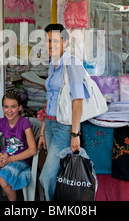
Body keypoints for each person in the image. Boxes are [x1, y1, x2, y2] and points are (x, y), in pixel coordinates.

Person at [38, 23, 89, 201]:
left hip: (64, 127)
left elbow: (78, 100)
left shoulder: (72, 63)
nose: (51, 45)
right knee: (58, 174)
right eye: (48, 41)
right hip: (51, 124)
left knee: (47, 177)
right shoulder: (53, 63)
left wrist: (75, 134)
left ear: (65, 42)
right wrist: (43, 129)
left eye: (55, 41)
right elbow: (50, 97)